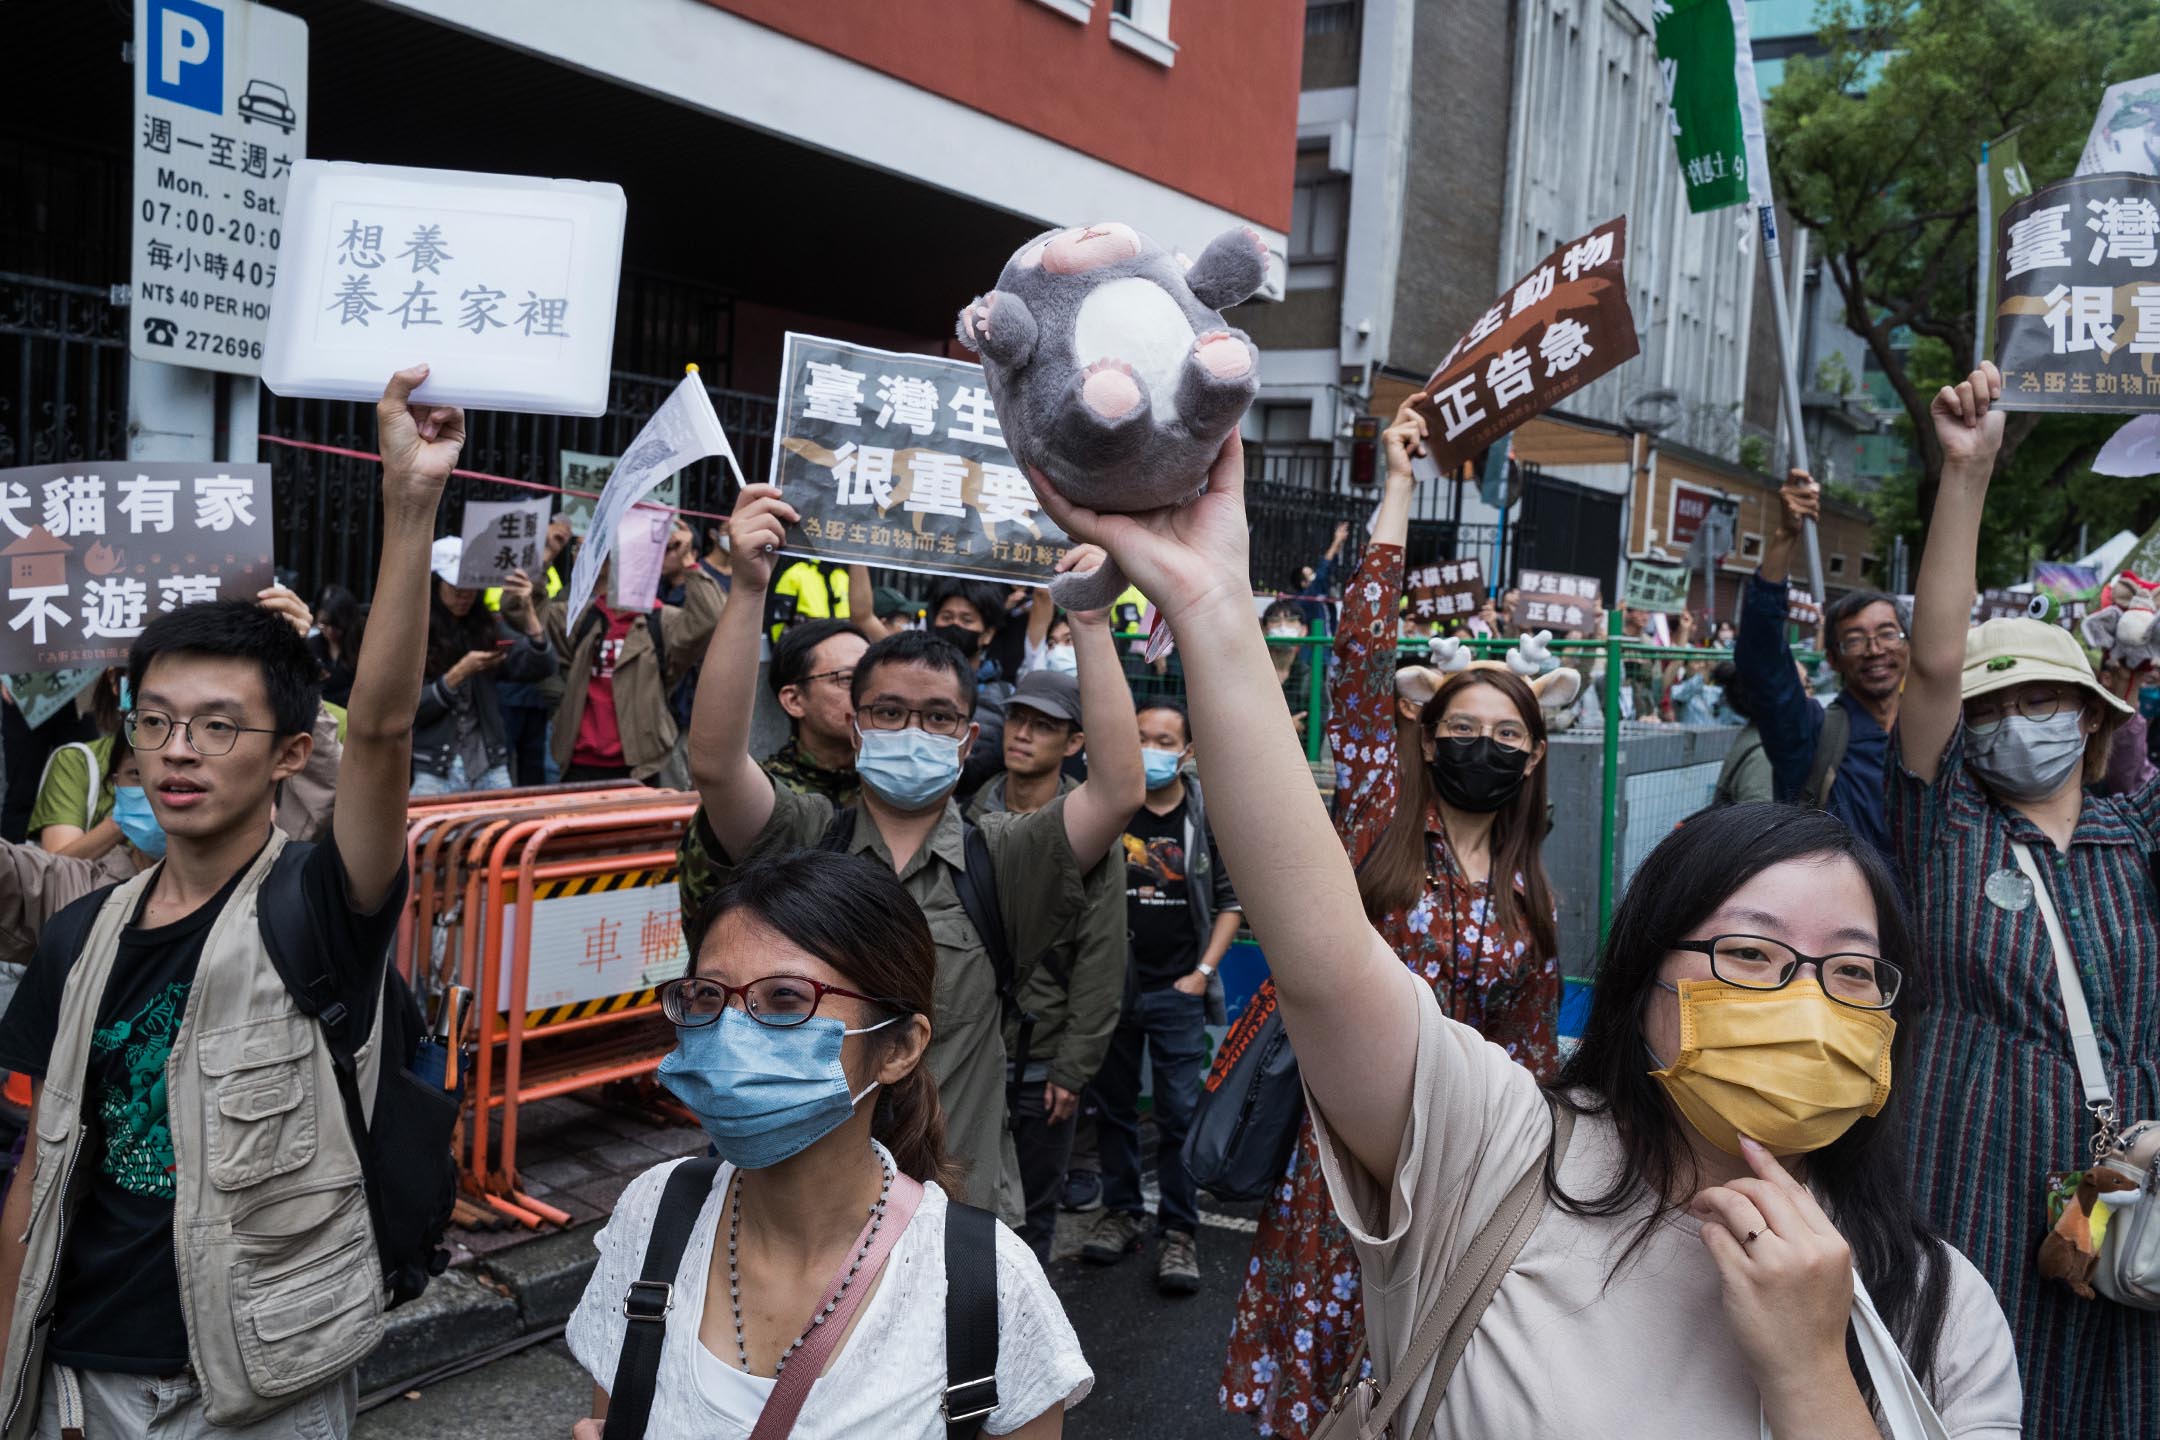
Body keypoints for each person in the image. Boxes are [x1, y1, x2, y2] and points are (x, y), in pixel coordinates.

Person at [1043, 432, 2021, 1439]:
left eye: (1853, 971)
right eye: (1752, 955)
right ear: (1647, 981)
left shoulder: (1947, 1316)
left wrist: (1816, 1375)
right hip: (1405, 1143)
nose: (1803, 1001)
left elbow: (1523, 1030)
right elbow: (1328, 961)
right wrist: (1216, 603)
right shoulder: (1510, 1157)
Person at [0, 365, 452, 1439]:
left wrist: (408, 505)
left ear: (292, 751)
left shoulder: (323, 906)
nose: (178, 754)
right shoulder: (80, 934)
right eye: (154, 724)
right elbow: (39, 1172)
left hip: (262, 1382)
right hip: (79, 1376)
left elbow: (383, 733)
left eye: (215, 726)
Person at [1219, 396, 1561, 1434]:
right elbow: (1364, 654)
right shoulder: (1377, 814)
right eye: (1464, 727)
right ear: (1425, 737)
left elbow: (1532, 1049)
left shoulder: (1531, 891)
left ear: (1534, 756)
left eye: (1508, 733)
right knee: (1318, 1373)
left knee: (1423, 1378)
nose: (1484, 745)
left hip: (1462, 1169)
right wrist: (1400, 487)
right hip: (1343, 1151)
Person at [679, 487, 1143, 1220]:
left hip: (952, 1212)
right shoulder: (806, 836)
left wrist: (1088, 621)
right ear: (857, 729)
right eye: (888, 713)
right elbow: (714, 765)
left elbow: (1117, 790)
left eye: (937, 718)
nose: (910, 730)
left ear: (966, 742)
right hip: (802, 1205)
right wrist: (744, 590)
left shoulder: (1006, 856)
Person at [564, 851, 1091, 1437]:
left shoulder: (988, 1285)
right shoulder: (653, 1215)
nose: (730, 1035)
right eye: (710, 997)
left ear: (898, 1049)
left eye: (787, 998)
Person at [1891, 361, 2160, 1436]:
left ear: (2093, 723)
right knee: (1976, 1393)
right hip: (1974, 1176)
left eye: (2045, 699)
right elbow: (1934, 665)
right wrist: (1968, 474)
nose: (2018, 720)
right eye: (1996, 704)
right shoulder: (1947, 825)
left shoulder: (2135, 835)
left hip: (2131, 1187)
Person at [1079, 699, 1240, 1295]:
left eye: (1165, 740)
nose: (1152, 748)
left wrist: (1201, 973)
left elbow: (1231, 901)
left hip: (1177, 989)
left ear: (1188, 751)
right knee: (1114, 1108)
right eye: (1142, 736)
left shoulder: (1206, 815)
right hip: (1110, 989)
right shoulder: (1107, 806)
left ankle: (1180, 1231)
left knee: (1176, 1114)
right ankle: (1122, 1211)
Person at [966, 668, 1127, 1262]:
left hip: (1043, 1057)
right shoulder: (963, 815)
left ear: (1076, 742)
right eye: (1017, 719)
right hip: (969, 1051)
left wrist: (1073, 1068)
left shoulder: (1087, 831)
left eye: (1043, 725)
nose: (1022, 734)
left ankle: (1020, 1347)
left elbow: (1101, 954)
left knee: (1030, 1219)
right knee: (955, 1208)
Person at [1736, 470, 1906, 862]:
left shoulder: (1936, 741)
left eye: (1887, 634)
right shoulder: (1814, 736)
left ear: (1909, 646)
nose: (1875, 649)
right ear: (1832, 658)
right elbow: (1761, 660)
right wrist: (1785, 537)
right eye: (1855, 640)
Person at [505, 514, 723, 785]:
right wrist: (546, 553)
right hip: (576, 763)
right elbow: (520, 611)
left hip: (641, 767)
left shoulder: (663, 622)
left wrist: (688, 563)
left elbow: (712, 619)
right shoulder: (583, 617)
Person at [412, 539, 555, 796]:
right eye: (456, 587)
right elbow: (408, 712)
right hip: (434, 764)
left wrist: (530, 619)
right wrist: (457, 675)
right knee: (426, 836)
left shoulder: (486, 628)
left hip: (488, 761)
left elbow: (539, 666)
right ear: (435, 585)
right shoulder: (415, 634)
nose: (464, 595)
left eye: (471, 587)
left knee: (502, 832)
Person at [762, 618, 869, 807]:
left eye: (871, 677)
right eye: (847, 679)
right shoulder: (763, 795)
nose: (870, 693)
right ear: (794, 700)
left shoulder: (896, 783)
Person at [929, 577, 1017, 796]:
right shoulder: (911, 685)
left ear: (986, 634)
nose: (954, 625)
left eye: (966, 619)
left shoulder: (1005, 697)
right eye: (946, 617)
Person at [27, 668, 128, 858]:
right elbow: (58, 870)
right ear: (115, 680)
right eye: (142, 672)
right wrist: (125, 819)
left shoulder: (195, 762)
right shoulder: (76, 762)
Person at [309, 584, 364, 707]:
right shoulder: (313, 645)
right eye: (323, 624)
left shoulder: (362, 644)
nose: (329, 631)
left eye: (335, 625)